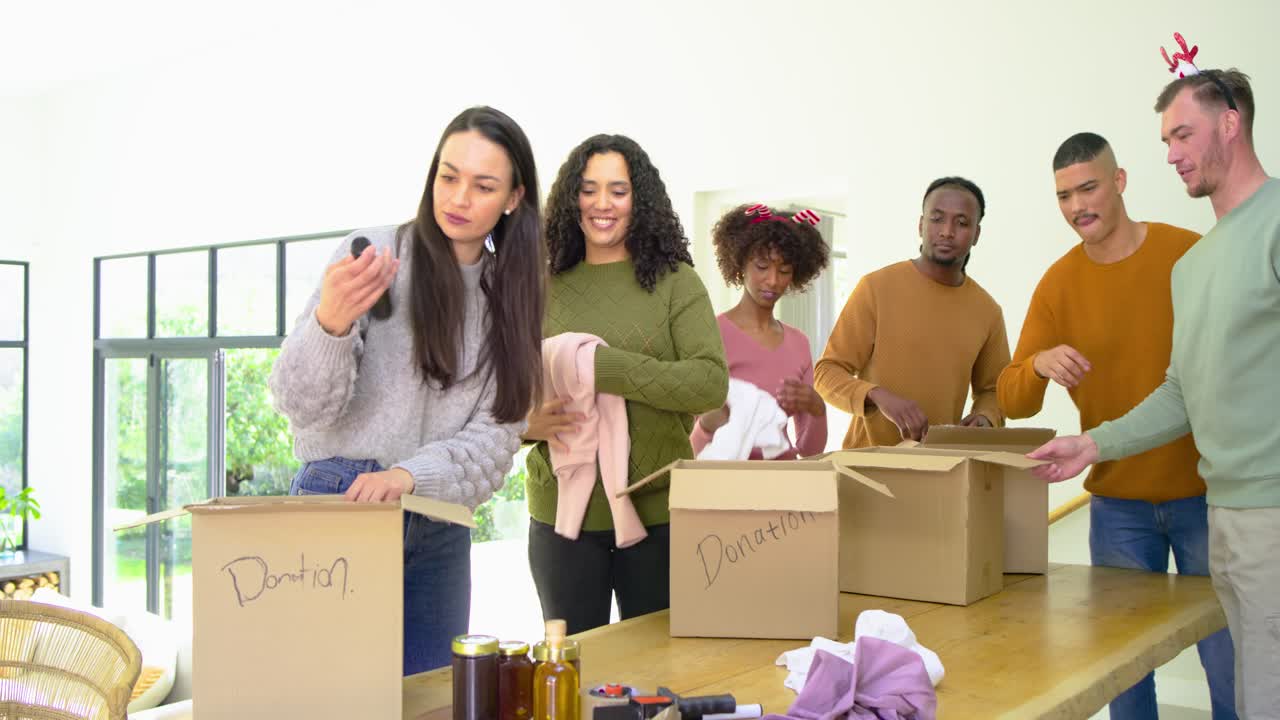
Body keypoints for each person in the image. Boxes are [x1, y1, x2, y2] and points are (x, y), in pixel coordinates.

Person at [1029, 69, 1278, 719]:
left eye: (1183, 135)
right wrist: (1091, 443)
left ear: (1230, 123)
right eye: (1165, 139)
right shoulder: (1193, 267)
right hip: (1226, 515)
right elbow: (1181, 392)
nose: (1170, 154)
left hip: (1272, 511)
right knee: (1254, 690)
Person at [268, 106, 545, 674]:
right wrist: (330, 324)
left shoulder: (511, 297)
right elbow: (299, 407)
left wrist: (411, 476)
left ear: (514, 198)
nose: (459, 198)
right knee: (328, 697)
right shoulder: (373, 253)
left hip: (439, 517)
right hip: (340, 496)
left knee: (431, 699)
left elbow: (498, 434)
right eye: (448, 176)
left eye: (483, 185)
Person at [999, 131, 1235, 720]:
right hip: (1117, 506)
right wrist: (1037, 364)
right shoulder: (1058, 283)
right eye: (1063, 196)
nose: (1078, 206)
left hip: (1209, 495)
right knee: (1123, 673)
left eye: (1089, 187)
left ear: (1120, 181)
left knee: (1231, 660)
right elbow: (1013, 398)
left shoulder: (1190, 253)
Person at [522, 134, 728, 635]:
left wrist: (603, 367)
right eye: (589, 190)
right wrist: (525, 425)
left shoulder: (677, 282)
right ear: (573, 199)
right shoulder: (540, 285)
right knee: (571, 680)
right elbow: (501, 395)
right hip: (560, 521)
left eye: (618, 190)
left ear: (641, 199)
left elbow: (709, 383)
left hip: (658, 515)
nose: (602, 204)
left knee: (658, 683)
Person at [815, 177, 1009, 447]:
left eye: (962, 223)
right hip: (865, 469)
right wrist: (876, 395)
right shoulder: (876, 288)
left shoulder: (987, 311)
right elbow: (826, 373)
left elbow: (994, 390)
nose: (947, 231)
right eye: (937, 219)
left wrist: (985, 417)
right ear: (921, 225)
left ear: (976, 234)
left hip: (941, 470)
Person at [692, 203, 830, 459]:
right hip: (724, 488)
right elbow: (691, 452)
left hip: (783, 487)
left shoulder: (799, 343)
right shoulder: (710, 335)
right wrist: (708, 425)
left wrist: (816, 407)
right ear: (739, 263)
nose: (773, 280)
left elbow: (810, 451)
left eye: (785, 270)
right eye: (762, 266)